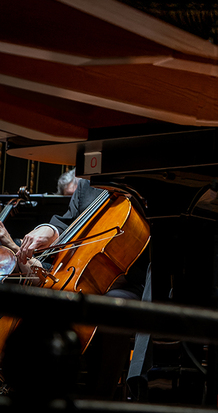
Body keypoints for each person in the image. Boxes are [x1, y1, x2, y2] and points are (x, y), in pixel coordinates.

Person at [12, 169, 147, 398]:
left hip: (127, 284)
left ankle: (99, 400)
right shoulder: (89, 183)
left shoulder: (148, 183)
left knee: (110, 311)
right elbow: (67, 223)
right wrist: (48, 230)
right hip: (77, 277)